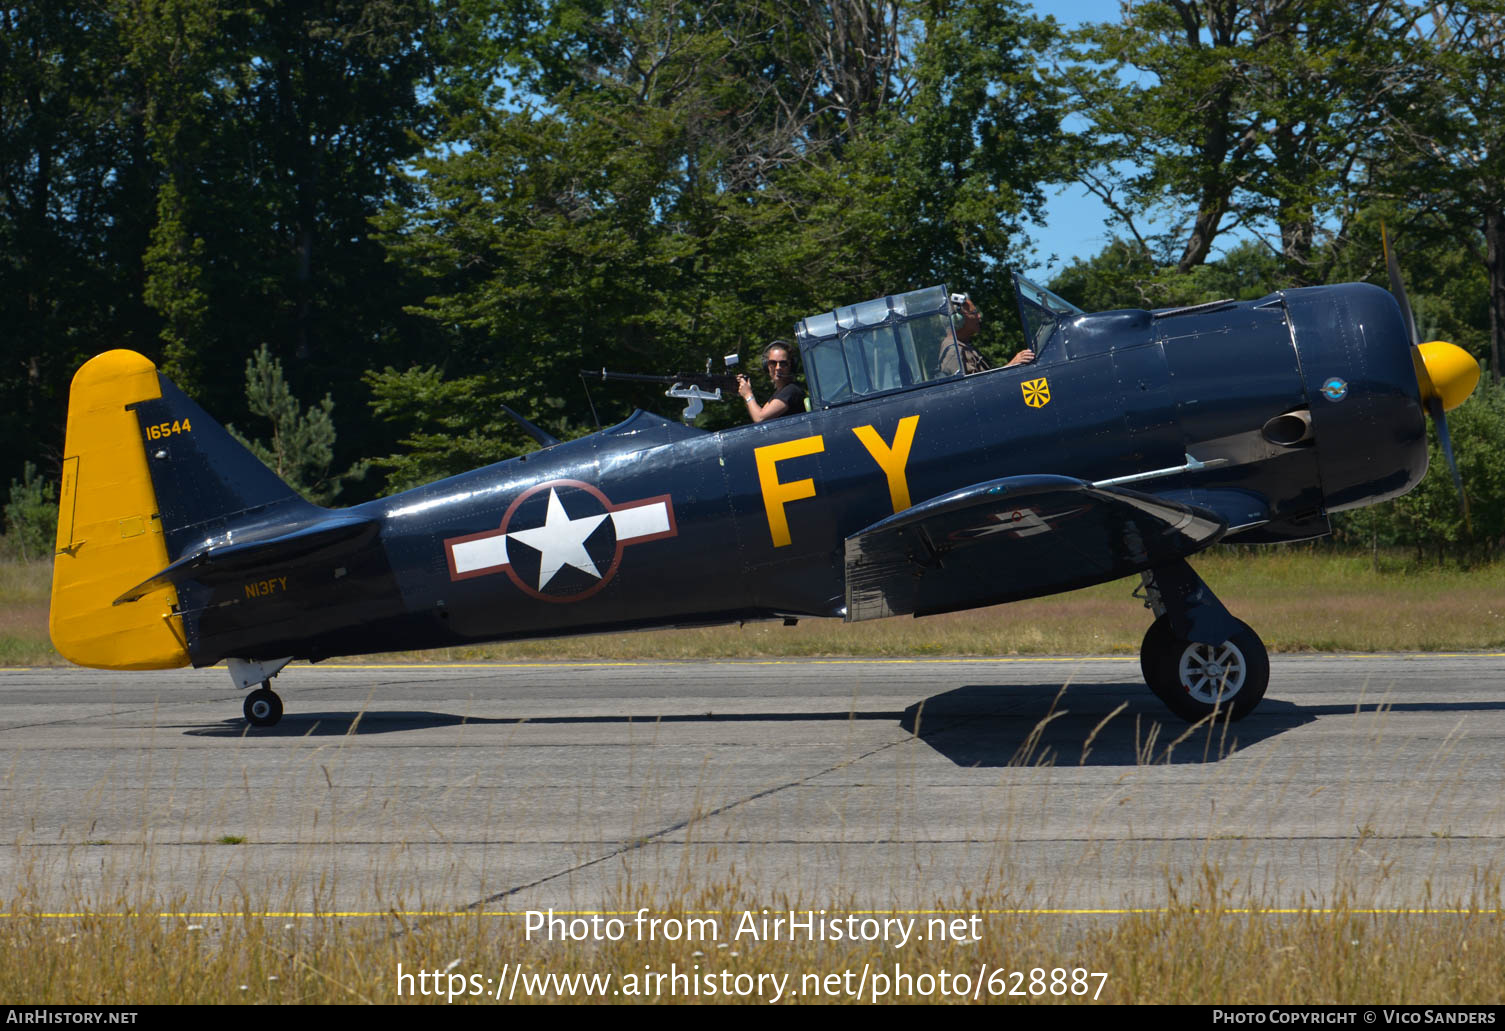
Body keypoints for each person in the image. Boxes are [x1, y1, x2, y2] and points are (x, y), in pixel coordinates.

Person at [940, 295, 1035, 375]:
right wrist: (1012, 364)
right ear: (958, 320)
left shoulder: (963, 345)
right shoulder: (953, 353)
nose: (979, 316)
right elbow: (977, 389)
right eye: (974, 312)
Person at [737, 341, 806, 422]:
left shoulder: (791, 390)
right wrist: (743, 391)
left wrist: (748, 394)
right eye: (773, 363)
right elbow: (758, 413)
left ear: (791, 366)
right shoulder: (779, 393)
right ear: (767, 366)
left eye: (783, 363)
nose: (778, 368)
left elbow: (760, 418)